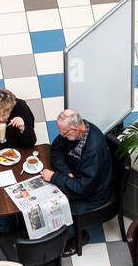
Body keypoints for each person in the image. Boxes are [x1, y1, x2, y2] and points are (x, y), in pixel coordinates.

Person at [41, 109, 113, 256]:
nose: (60, 136)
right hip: (79, 180)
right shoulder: (75, 131)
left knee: (57, 209)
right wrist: (67, 174)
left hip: (94, 195)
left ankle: (75, 237)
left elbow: (83, 188)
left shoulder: (94, 149)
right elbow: (55, 150)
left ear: (74, 128)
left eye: (63, 133)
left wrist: (55, 177)